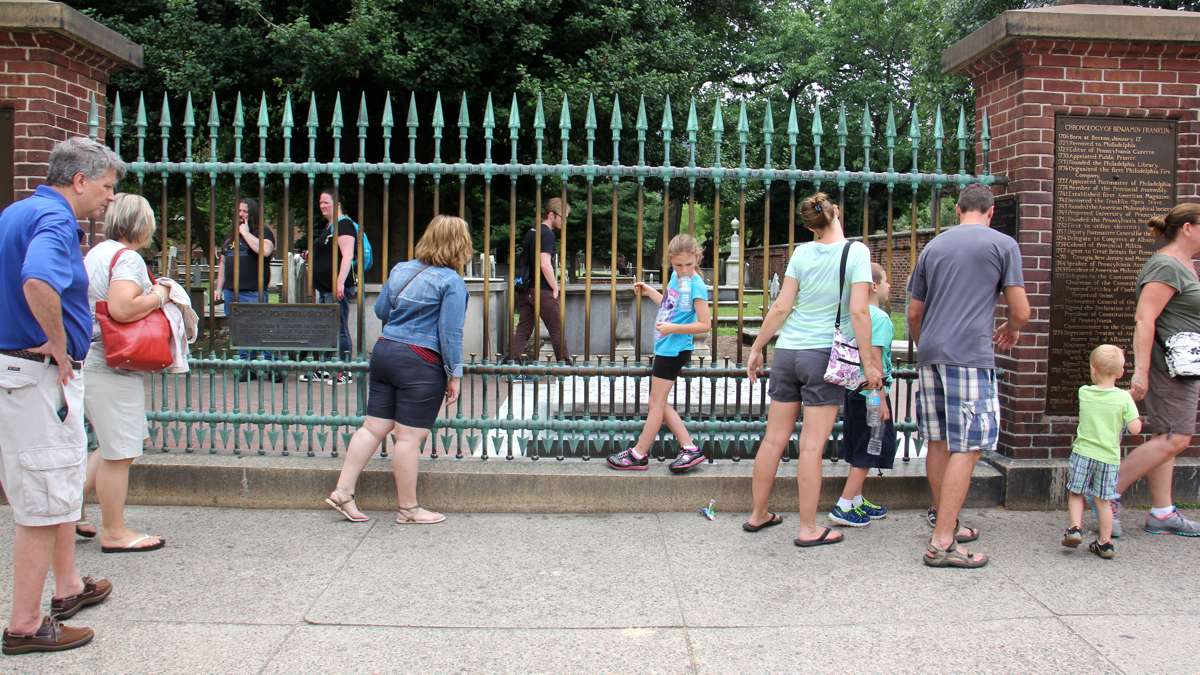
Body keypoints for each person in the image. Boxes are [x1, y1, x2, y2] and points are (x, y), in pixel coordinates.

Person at [0, 137, 122, 654]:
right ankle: (26, 626)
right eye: (107, 187)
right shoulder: (56, 221)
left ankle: (68, 586)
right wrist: (58, 343)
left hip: (21, 372)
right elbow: (36, 283)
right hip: (36, 375)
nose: (110, 199)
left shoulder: (17, 212)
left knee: (59, 486)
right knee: (44, 502)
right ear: (79, 180)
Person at [744, 193, 882, 547]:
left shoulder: (802, 253)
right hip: (822, 354)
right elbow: (859, 312)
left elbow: (781, 306)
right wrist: (869, 363)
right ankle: (808, 528)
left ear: (809, 226)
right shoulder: (857, 252)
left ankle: (758, 514)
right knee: (810, 447)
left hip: (787, 351)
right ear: (837, 211)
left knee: (773, 438)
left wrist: (758, 347)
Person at [907, 183, 1029, 569]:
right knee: (969, 446)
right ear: (990, 212)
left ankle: (946, 520)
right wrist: (1013, 329)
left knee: (939, 441)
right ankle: (943, 541)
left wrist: (925, 343)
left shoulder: (933, 247)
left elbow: (913, 312)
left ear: (958, 209)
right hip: (970, 355)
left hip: (931, 353)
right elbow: (1021, 309)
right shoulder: (1002, 244)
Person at [323, 215, 470, 525]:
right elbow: (450, 332)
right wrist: (454, 373)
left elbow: (381, 310)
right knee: (407, 439)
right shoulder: (451, 281)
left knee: (372, 428)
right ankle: (408, 509)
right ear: (460, 245)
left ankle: (343, 491)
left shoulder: (401, 269)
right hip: (420, 360)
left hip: (385, 352)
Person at [73, 194, 169, 556]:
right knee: (120, 451)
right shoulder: (126, 258)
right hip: (113, 362)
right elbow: (122, 307)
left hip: (91, 358)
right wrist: (159, 294)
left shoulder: (98, 252)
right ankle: (114, 531)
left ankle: (68, 511)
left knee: (106, 444)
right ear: (141, 225)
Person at [1110, 203, 1200, 538]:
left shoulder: (1184, 265)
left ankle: (1162, 513)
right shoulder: (1166, 266)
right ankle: (1107, 492)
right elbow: (1145, 319)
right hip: (1170, 368)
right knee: (1177, 438)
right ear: (1187, 228)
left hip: (1184, 366)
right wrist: (1141, 372)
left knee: (1167, 436)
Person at [606, 234, 711, 473]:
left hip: (675, 350)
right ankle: (690, 448)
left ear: (697, 258)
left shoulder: (697, 285)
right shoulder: (676, 277)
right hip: (665, 347)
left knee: (656, 403)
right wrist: (648, 291)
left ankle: (638, 454)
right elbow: (668, 304)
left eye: (688, 265)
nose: (683, 270)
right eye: (678, 265)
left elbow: (705, 324)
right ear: (671, 262)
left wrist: (674, 329)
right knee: (660, 403)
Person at [829, 263, 896, 527]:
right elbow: (875, 361)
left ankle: (856, 499)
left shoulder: (851, 315)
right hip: (871, 393)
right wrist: (879, 399)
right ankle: (844, 505)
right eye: (887, 281)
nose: (889, 286)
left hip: (853, 390)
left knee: (859, 444)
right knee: (869, 448)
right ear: (874, 286)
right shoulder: (879, 319)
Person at [1062, 345, 1141, 559]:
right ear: (1121, 372)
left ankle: (1075, 528)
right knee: (1103, 500)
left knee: (1076, 492)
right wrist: (1129, 403)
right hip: (1109, 458)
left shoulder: (1084, 392)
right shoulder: (1124, 399)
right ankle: (1105, 543)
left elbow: (1102, 397)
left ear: (1093, 369)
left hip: (1083, 453)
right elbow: (1135, 428)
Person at [212, 197, 276, 379]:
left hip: (254, 292)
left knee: (259, 330)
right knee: (238, 331)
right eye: (239, 211)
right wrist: (219, 287)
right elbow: (223, 263)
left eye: (245, 211)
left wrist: (246, 233)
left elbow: (265, 251)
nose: (241, 214)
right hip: (232, 292)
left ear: (253, 213)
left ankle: (273, 366)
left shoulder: (263, 232)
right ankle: (245, 367)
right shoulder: (231, 236)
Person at [304, 188, 358, 385]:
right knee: (327, 328)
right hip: (325, 288)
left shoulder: (344, 225)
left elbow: (348, 255)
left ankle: (345, 370)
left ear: (337, 204)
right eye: (320, 203)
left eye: (326, 202)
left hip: (337, 288)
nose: (322, 206)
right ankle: (324, 369)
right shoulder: (330, 227)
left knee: (340, 328)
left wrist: (340, 282)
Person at [508, 198, 571, 364]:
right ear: (551, 215)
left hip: (525, 288)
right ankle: (564, 364)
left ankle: (512, 364)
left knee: (524, 328)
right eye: (562, 217)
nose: (564, 221)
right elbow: (544, 263)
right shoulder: (547, 234)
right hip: (541, 289)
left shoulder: (531, 232)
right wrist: (555, 287)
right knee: (556, 327)